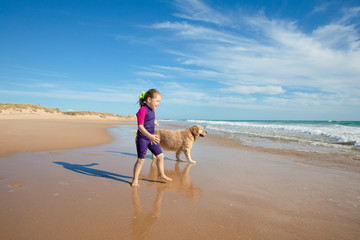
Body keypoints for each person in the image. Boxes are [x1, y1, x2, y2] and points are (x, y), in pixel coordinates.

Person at [131, 89, 172, 188]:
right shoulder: (142, 110)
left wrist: (154, 122)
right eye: (157, 101)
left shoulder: (152, 110)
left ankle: (161, 174)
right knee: (141, 160)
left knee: (160, 156)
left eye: (159, 102)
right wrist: (150, 136)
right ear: (149, 99)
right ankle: (135, 179)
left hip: (151, 138)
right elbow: (140, 126)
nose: (158, 104)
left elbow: (150, 119)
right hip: (143, 139)